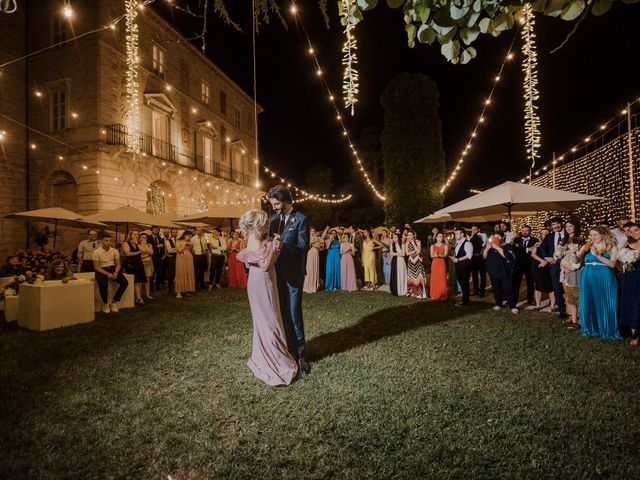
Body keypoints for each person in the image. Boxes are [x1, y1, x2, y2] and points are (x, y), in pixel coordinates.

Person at [236, 208, 298, 386]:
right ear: (256, 226)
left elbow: (269, 261)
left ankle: (266, 355)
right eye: (264, 222)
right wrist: (274, 248)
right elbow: (264, 265)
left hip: (264, 281)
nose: (267, 224)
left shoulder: (258, 239)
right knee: (270, 320)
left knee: (268, 319)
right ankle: (276, 362)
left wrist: (274, 248)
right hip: (262, 282)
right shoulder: (255, 242)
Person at [267, 185, 310, 375]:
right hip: (277, 274)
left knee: (294, 313)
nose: (274, 208)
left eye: (277, 204)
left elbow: (302, 248)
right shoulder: (273, 220)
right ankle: (287, 349)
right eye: (272, 204)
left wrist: (283, 246)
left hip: (293, 274)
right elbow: (268, 241)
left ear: (286, 202)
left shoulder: (301, 220)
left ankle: (300, 354)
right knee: (282, 312)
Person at [577, 226, 621, 340]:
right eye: (591, 235)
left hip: (604, 277)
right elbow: (577, 261)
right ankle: (590, 329)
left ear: (603, 234)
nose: (592, 237)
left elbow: (612, 265)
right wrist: (573, 253)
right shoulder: (586, 247)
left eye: (595, 234)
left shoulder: (611, 247)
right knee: (588, 301)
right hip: (588, 277)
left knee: (605, 302)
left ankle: (607, 330)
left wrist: (598, 256)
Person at [538, 216, 568, 319]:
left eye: (557, 223)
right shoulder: (549, 236)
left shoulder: (568, 234)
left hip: (567, 264)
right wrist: (547, 258)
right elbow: (542, 248)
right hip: (554, 265)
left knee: (568, 288)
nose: (556, 226)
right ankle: (562, 311)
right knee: (557, 288)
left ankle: (572, 310)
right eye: (553, 224)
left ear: (561, 223)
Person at [92, 233, 129, 313]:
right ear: (101, 241)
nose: (109, 242)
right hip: (101, 269)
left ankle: (114, 302)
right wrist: (106, 274)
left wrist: (115, 272)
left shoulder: (114, 251)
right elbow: (96, 267)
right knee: (103, 284)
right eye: (106, 240)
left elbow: (118, 264)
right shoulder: (96, 252)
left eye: (110, 241)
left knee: (125, 283)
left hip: (113, 268)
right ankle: (105, 303)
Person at [484, 234, 518, 314]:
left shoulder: (507, 246)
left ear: (502, 238)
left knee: (508, 289)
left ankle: (512, 306)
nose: (495, 238)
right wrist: (487, 249)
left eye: (498, 237)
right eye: (494, 237)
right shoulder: (490, 247)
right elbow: (484, 256)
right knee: (496, 289)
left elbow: (508, 257)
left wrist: (498, 248)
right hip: (493, 271)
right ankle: (498, 304)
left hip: (504, 271)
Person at [618, 223, 640, 345]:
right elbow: (622, 263)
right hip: (631, 278)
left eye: (636, 230)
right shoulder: (627, 245)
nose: (634, 233)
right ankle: (634, 334)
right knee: (633, 304)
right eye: (630, 232)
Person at [560, 223, 583, 326]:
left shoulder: (579, 254)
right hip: (568, 279)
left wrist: (567, 266)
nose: (573, 246)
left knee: (580, 302)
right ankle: (572, 319)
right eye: (570, 245)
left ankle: (581, 319)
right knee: (570, 299)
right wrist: (564, 266)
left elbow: (575, 266)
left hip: (578, 281)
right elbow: (562, 263)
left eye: (575, 244)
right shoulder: (567, 250)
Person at [529, 228, 556, 311]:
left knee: (550, 286)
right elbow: (533, 254)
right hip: (537, 265)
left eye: (546, 233)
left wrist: (546, 262)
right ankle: (538, 305)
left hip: (549, 265)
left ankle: (552, 306)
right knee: (538, 285)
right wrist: (542, 261)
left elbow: (555, 255)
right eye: (542, 233)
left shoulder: (552, 243)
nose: (544, 235)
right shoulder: (537, 243)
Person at [511, 225, 538, 306]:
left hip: (530, 264)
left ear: (530, 231)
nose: (525, 232)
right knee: (516, 282)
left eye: (527, 230)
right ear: (521, 231)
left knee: (530, 283)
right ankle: (515, 299)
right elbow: (515, 249)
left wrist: (522, 249)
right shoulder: (516, 240)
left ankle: (530, 299)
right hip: (518, 264)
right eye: (523, 230)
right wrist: (527, 249)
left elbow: (535, 250)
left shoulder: (535, 240)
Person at [122, 230, 147, 305]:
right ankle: (139, 298)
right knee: (135, 281)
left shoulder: (138, 243)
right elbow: (128, 253)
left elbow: (144, 251)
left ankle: (137, 297)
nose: (136, 235)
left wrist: (137, 244)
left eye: (137, 234)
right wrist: (139, 252)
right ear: (131, 235)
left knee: (139, 281)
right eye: (134, 234)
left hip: (139, 264)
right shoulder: (126, 243)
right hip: (130, 264)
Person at [451, 227, 473, 306]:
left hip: (465, 266)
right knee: (462, 283)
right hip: (458, 266)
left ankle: (465, 301)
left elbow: (469, 256)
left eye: (457, 234)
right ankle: (465, 299)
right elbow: (457, 253)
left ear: (462, 234)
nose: (455, 235)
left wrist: (458, 259)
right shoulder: (457, 242)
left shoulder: (467, 243)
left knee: (465, 283)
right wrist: (454, 257)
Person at [174, 230, 196, 299]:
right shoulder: (178, 241)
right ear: (185, 235)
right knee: (181, 273)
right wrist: (185, 243)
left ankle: (186, 289)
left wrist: (192, 248)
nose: (190, 238)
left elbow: (192, 252)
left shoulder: (190, 242)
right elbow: (179, 250)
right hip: (181, 258)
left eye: (191, 236)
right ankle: (179, 292)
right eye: (189, 236)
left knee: (188, 273)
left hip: (189, 258)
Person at [406, 230, 427, 299]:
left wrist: (413, 243)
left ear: (414, 235)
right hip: (411, 261)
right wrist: (414, 251)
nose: (409, 236)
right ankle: (413, 292)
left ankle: (420, 293)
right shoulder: (407, 243)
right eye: (408, 235)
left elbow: (419, 251)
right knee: (411, 276)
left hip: (417, 260)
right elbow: (407, 253)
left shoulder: (418, 241)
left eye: (411, 235)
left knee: (419, 276)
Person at [429, 232, 448, 300]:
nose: (441, 237)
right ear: (436, 237)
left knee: (442, 278)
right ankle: (434, 294)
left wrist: (438, 255)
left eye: (442, 236)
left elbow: (445, 255)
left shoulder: (445, 246)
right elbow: (431, 256)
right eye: (439, 236)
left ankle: (443, 295)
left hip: (442, 263)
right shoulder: (432, 246)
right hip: (435, 263)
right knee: (434, 278)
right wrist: (434, 255)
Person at [468, 225, 486, 297]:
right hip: (473, 258)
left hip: (480, 257)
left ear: (478, 229)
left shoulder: (482, 236)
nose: (473, 231)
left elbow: (483, 245)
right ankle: (475, 290)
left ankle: (482, 291)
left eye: (475, 229)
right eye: (472, 229)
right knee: (474, 274)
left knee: (482, 275)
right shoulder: (471, 238)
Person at [389, 232, 408, 296]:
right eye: (393, 237)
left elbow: (403, 254)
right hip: (395, 261)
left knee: (401, 274)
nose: (394, 238)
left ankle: (402, 289)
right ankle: (395, 290)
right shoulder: (392, 245)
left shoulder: (402, 244)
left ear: (398, 238)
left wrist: (396, 253)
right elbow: (391, 253)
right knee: (395, 274)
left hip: (401, 261)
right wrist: (398, 253)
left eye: (395, 237)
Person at [303, 228, 321, 293]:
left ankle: (314, 285)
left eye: (313, 231)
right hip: (311, 252)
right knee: (310, 268)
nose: (312, 232)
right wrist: (312, 242)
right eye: (311, 231)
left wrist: (318, 244)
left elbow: (319, 246)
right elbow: (306, 246)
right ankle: (308, 285)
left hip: (316, 252)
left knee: (315, 268)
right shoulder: (307, 238)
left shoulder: (317, 238)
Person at [139, 232, 155, 300]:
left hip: (148, 264)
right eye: (142, 237)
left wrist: (145, 246)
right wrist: (147, 255)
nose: (144, 239)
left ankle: (147, 295)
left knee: (147, 280)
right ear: (139, 238)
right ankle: (139, 296)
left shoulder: (149, 245)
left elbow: (151, 252)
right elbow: (139, 255)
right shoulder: (137, 244)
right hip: (140, 263)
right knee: (140, 280)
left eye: (145, 237)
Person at [147, 226, 164, 291]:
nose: (156, 230)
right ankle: (150, 287)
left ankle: (158, 286)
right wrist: (157, 246)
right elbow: (148, 246)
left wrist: (163, 254)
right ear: (151, 230)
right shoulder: (149, 238)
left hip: (159, 257)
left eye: (157, 229)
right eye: (154, 229)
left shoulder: (160, 238)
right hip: (152, 256)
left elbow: (163, 247)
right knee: (152, 272)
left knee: (159, 272)